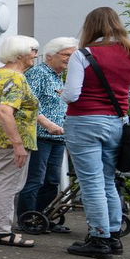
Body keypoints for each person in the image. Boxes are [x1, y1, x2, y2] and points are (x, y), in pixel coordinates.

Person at [61, 6, 130, 259]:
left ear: (91, 26)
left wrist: (61, 95)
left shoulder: (83, 54)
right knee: (108, 179)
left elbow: (73, 94)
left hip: (84, 122)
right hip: (116, 122)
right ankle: (113, 235)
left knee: (91, 182)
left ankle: (98, 239)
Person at [0, 35, 42, 247]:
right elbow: (4, 111)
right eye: (33, 50)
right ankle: (2, 231)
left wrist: (49, 125)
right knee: (8, 185)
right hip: (8, 142)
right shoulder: (16, 78)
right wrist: (18, 144)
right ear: (20, 53)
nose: (35, 54)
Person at [16, 37, 78, 232]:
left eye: (73, 55)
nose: (71, 59)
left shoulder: (59, 76)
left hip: (58, 138)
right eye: (67, 55)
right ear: (50, 56)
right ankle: (26, 220)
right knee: (36, 179)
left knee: (52, 180)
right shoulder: (38, 73)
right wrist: (48, 124)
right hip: (40, 136)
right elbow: (27, 105)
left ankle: (43, 217)